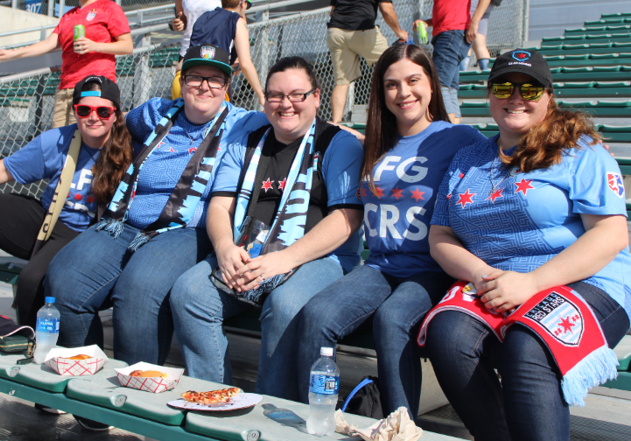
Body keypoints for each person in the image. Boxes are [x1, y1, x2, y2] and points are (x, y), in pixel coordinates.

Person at [425, 49, 631, 440]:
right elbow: (441, 236)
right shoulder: (466, 158)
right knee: (447, 335)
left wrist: (532, 283)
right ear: (489, 95)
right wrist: (484, 275)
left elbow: (611, 233)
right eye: (504, 85)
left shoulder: (579, 150)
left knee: (529, 344)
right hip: (497, 282)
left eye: (530, 88)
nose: (515, 96)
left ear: (548, 97)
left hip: (586, 280)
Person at [44, 45, 267, 367]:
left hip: (188, 229)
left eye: (215, 79)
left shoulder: (245, 123)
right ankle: (85, 378)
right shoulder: (155, 112)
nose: (204, 86)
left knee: (139, 289)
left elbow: (291, 125)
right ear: (182, 80)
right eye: (194, 77)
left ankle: (137, 391)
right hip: (124, 221)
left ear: (227, 87)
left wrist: (341, 133)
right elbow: (114, 125)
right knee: (65, 282)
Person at [295, 44, 484, 417]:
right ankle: (312, 418)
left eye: (413, 80)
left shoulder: (459, 138)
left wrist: (572, 144)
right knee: (316, 315)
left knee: (393, 318)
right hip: (380, 267)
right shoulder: (376, 143)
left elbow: (511, 153)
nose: (404, 93)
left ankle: (400, 426)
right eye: (391, 85)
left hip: (432, 270)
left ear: (432, 83)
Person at [170, 56, 364, 401]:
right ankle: (214, 400)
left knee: (286, 304)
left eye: (296, 95)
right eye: (275, 95)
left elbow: (347, 217)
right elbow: (220, 205)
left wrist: (284, 259)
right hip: (250, 252)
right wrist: (225, 249)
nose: (285, 104)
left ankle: (275, 412)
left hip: (318, 259)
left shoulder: (338, 143)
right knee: (190, 293)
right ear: (264, 100)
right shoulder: (246, 141)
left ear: (317, 97)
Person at [0, 76, 131, 327]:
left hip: (87, 235)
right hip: (50, 219)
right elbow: (5, 170)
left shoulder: (130, 147)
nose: (93, 117)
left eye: (103, 111)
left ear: (115, 114)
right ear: (75, 112)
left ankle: (35, 340)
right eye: (84, 110)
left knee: (31, 280)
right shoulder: (59, 140)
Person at [0, 0, 133, 128]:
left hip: (94, 86)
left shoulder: (109, 8)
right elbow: (47, 44)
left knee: (85, 143)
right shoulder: (68, 16)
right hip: (65, 87)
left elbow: (127, 46)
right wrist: (13, 53)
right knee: (59, 144)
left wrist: (94, 46)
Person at [413, 0, 494, 124]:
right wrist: (427, 22)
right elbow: (446, 6)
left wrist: (475, 21)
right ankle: (455, 133)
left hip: (454, 33)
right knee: (449, 88)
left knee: (438, 87)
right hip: (443, 33)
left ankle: (446, 136)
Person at [327, 0, 409, 124]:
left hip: (336, 32)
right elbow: (386, 9)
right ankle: (381, 117)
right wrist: (399, 32)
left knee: (342, 81)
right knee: (389, 69)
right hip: (362, 31)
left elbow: (332, 11)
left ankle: (336, 124)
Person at [190, 0, 265, 106]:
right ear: (243, 3)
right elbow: (246, 63)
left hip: (187, 80)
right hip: (212, 85)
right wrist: (261, 94)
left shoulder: (205, 16)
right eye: (248, 4)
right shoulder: (237, 21)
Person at [170, 0, 225, 99]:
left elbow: (238, 23)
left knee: (217, 109)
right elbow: (182, 20)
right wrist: (176, 24)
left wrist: (237, 59)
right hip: (190, 52)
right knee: (182, 103)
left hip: (218, 53)